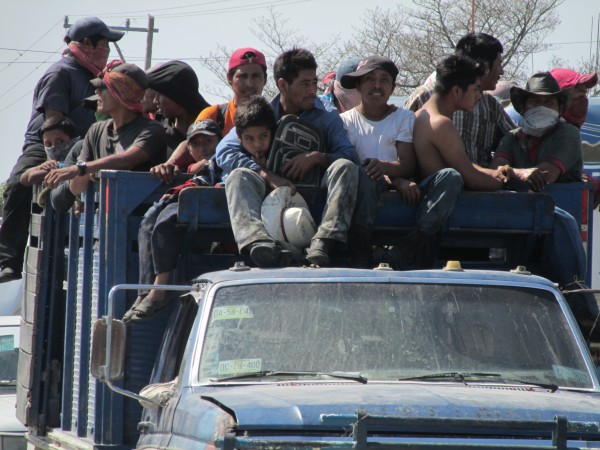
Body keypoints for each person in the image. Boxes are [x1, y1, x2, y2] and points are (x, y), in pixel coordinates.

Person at [0, 17, 124, 283]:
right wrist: (55, 160)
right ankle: (8, 260)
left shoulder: (95, 77)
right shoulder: (62, 72)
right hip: (47, 144)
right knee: (18, 184)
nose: (107, 52)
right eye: (104, 45)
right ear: (86, 44)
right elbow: (53, 124)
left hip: (81, 145)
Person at [217, 48, 361, 267]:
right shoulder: (261, 112)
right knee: (238, 176)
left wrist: (316, 157)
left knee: (345, 166)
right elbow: (224, 152)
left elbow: (350, 156)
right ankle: (258, 243)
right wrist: (267, 175)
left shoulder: (328, 116)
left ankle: (324, 241)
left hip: (315, 193)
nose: (313, 90)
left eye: (314, 82)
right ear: (283, 84)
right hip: (268, 195)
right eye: (305, 84)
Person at [339, 55, 463, 268]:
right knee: (365, 175)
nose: (377, 85)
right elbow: (353, 167)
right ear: (358, 85)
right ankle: (361, 249)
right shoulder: (345, 121)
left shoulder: (403, 117)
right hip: (367, 191)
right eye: (369, 79)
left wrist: (387, 170)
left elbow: (406, 164)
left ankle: (412, 244)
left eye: (384, 80)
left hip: (404, 192)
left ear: (392, 87)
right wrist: (394, 180)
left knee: (451, 177)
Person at [490, 72, 586, 288]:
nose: (542, 106)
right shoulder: (512, 137)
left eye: (549, 101)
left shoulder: (567, 133)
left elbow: (545, 175)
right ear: (523, 107)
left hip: (558, 226)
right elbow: (496, 169)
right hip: (515, 225)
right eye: (535, 101)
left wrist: (510, 172)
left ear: (559, 108)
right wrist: (519, 173)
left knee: (568, 285)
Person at [123, 119, 222, 323]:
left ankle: (160, 289)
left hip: (212, 206)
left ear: (219, 141)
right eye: (196, 143)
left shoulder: (223, 158)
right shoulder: (187, 167)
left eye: (208, 142)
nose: (202, 148)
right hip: (191, 202)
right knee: (148, 221)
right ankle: (144, 291)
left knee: (165, 222)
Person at [44, 60, 166, 195]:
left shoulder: (151, 129)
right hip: (102, 214)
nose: (97, 92)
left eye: (103, 87)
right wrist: (86, 173)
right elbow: (76, 189)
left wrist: (81, 169)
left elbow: (127, 160)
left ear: (121, 94)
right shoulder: (96, 130)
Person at [150, 48, 267, 184]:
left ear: (265, 79)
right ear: (229, 78)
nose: (249, 84)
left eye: (256, 76)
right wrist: (170, 164)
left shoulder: (273, 115)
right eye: (243, 76)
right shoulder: (215, 114)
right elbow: (190, 142)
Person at [405, 32, 515, 166]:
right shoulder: (424, 96)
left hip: (482, 184)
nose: (502, 71)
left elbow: (514, 140)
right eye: (499, 64)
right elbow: (400, 139)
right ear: (484, 66)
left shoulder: (492, 105)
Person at [413, 54, 507, 192]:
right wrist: (507, 183)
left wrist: (495, 173)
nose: (479, 96)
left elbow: (464, 165)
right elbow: (473, 180)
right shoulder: (441, 123)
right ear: (457, 91)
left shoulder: (419, 115)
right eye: (476, 89)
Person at [145, 60, 209, 157]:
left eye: (161, 94)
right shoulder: (158, 130)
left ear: (177, 94)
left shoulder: (214, 123)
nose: (155, 100)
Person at [19, 116, 79, 186]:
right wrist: (40, 167)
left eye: (60, 141)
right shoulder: (52, 165)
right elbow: (23, 179)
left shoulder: (81, 156)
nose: (53, 147)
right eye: (48, 144)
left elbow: (33, 176)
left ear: (73, 139)